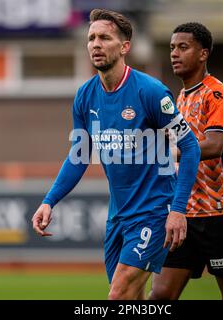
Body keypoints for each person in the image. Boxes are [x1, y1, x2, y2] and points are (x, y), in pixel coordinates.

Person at [31, 9, 200, 300]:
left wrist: (178, 209)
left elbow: (190, 146)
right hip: (118, 216)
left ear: (124, 47)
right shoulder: (85, 96)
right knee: (130, 300)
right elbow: (79, 155)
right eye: (91, 38)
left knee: (117, 296)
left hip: (154, 213)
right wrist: (49, 201)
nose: (96, 44)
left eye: (105, 38)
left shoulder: (150, 92)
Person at [149, 22, 223, 300]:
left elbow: (214, 146)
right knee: (160, 295)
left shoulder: (217, 94)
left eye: (183, 47)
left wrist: (164, 153)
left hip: (221, 213)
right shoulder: (179, 99)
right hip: (185, 214)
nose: (174, 54)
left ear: (203, 53)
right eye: (172, 48)